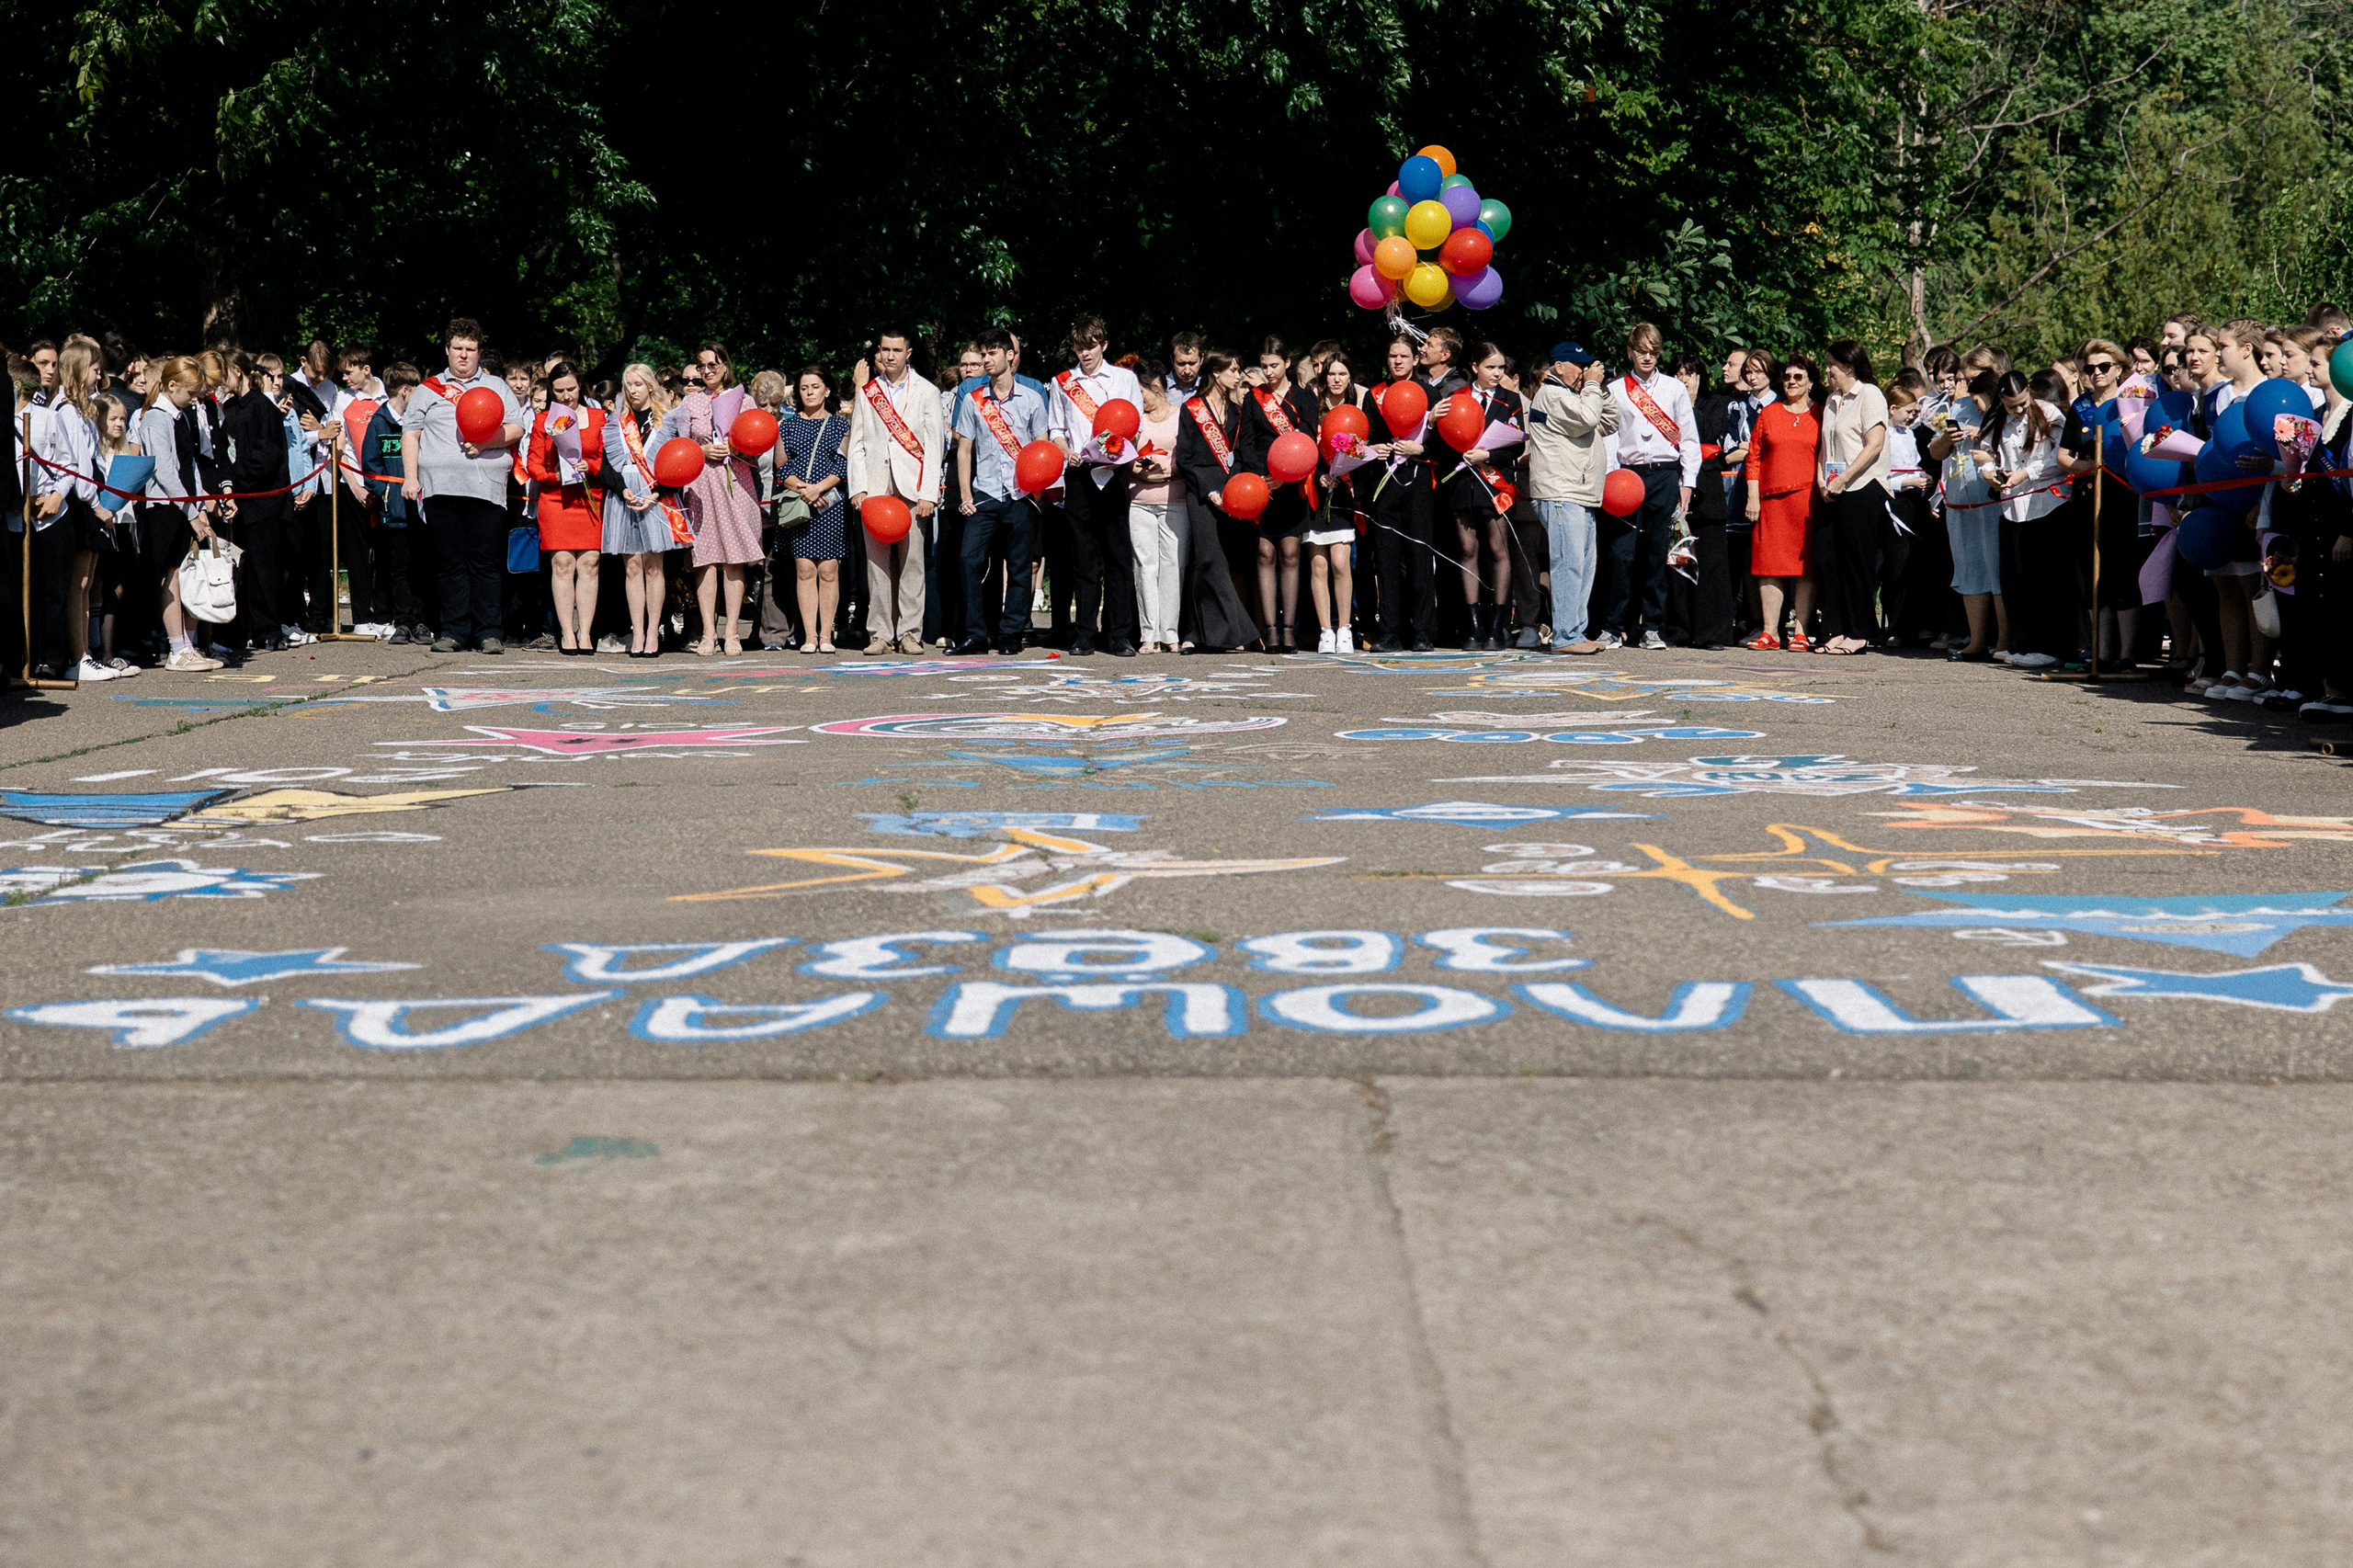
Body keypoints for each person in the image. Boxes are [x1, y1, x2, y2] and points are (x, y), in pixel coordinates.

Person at [401, 318, 525, 653]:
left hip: (485, 487)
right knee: (449, 562)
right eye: (458, 348)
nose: (464, 355)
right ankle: (454, 630)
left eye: (470, 349)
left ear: (479, 352)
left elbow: (517, 428)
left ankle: (488, 632)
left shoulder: (497, 386)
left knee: (484, 562)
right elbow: (410, 433)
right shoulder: (429, 389)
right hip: (440, 487)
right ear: (447, 350)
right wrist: (410, 477)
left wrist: (486, 443)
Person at [1046, 314, 1144, 656]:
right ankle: (1085, 633)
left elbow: (1137, 425)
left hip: (1115, 474)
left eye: (1090, 347)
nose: (1084, 354)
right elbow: (1055, 429)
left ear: (1103, 344)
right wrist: (1067, 452)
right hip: (1080, 474)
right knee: (1083, 557)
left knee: (1117, 556)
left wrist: (1124, 453)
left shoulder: (1125, 379)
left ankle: (1120, 634)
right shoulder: (1063, 382)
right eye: (1078, 347)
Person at [28, 336, 123, 681]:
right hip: (79, 502)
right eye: (96, 370)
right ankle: (78, 655)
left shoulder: (82, 410)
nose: (99, 377)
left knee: (85, 581)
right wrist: (97, 504)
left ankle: (85, 652)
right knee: (76, 582)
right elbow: (77, 466)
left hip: (89, 500)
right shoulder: (66, 410)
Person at [1601, 322, 1700, 650]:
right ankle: (1613, 626)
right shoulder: (1616, 389)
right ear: (1630, 351)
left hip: (1664, 474)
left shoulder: (1674, 389)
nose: (1648, 357)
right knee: (1621, 553)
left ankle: (1652, 626)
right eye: (1642, 351)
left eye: (1654, 352)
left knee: (1658, 553)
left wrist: (1688, 482)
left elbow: (1688, 438)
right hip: (1627, 475)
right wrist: (1613, 477)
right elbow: (1610, 437)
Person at [847, 327, 944, 656]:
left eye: (896, 350)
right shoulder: (868, 392)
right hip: (875, 489)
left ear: (909, 353)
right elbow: (857, 443)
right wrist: (858, 487)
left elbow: (935, 446)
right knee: (876, 564)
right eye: (885, 350)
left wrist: (929, 492)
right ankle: (879, 633)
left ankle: (910, 633)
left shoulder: (927, 391)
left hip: (913, 488)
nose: (889, 356)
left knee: (912, 562)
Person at [953, 329, 1051, 656]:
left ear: (1010, 356)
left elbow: (1043, 448)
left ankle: (1011, 633)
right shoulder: (973, 399)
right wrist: (966, 495)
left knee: (1021, 567)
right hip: (984, 495)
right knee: (970, 561)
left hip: (1021, 496)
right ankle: (976, 634)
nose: (986, 359)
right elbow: (964, 450)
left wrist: (1037, 493)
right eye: (984, 353)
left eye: (993, 352)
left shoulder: (1033, 399)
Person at [664, 343, 766, 656]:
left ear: (725, 365)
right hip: (701, 484)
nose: (707, 371)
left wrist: (736, 448)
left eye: (712, 364)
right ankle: (708, 632)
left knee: (734, 560)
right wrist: (702, 451)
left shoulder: (744, 400)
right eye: (702, 365)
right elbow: (678, 443)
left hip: (735, 479)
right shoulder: (690, 403)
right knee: (704, 560)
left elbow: (757, 442)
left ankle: (732, 632)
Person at [1971, 369, 2069, 671]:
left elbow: (2059, 457)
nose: (2019, 410)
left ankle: (2049, 645)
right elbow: (1986, 456)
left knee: (2043, 578)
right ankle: (2023, 642)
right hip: (2011, 508)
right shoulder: (1995, 419)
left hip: (2046, 504)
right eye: (2012, 405)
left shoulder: (2048, 413)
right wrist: (1991, 474)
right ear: (2001, 400)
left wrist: (2026, 473)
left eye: (2023, 403)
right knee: (2015, 578)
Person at [1527, 341, 1619, 654]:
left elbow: (1609, 422)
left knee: (1583, 566)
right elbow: (1589, 419)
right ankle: (1566, 635)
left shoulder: (1574, 397)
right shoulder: (1551, 395)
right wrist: (1592, 386)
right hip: (1560, 491)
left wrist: (1600, 390)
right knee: (1568, 564)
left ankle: (1576, 632)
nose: (1584, 373)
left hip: (1580, 492)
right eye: (1579, 367)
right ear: (1559, 367)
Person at [1234, 335, 1321, 653]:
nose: (1269, 372)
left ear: (1287, 363)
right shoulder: (1253, 398)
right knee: (1265, 554)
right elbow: (1245, 442)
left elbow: (1309, 440)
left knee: (1290, 554)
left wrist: (1286, 475)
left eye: (1274, 365)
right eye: (1264, 366)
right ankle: (1269, 629)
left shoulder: (1304, 397)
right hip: (1262, 485)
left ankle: (1289, 629)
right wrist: (1263, 476)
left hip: (1293, 486)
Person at [135, 356, 222, 671]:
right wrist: (189, 510)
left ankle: (190, 642)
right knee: (171, 576)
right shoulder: (156, 419)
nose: (195, 399)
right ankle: (176, 646)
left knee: (188, 574)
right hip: (165, 507)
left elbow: (190, 465)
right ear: (172, 386)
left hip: (186, 504)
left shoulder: (181, 417)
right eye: (191, 393)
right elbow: (165, 471)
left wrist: (199, 503)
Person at [1171, 348, 1258, 654]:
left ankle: (1195, 633)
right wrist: (1209, 490)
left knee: (1208, 564)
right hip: (1202, 492)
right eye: (1233, 370)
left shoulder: (1238, 411)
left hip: (1234, 491)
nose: (1238, 376)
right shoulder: (1191, 409)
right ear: (1217, 372)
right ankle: (1243, 631)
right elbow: (1185, 459)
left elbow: (1245, 454)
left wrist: (1240, 488)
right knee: (1211, 559)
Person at [1443, 341, 1524, 650]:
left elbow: (1516, 446)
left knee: (1498, 550)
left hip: (1496, 484)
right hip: (1464, 484)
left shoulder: (1509, 399)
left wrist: (1487, 455)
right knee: (1467, 551)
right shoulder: (1456, 398)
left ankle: (1497, 625)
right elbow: (1444, 442)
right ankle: (1472, 626)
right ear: (1475, 367)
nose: (1497, 373)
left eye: (1501, 368)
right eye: (1490, 367)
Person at [1814, 339, 1892, 654]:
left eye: (1832, 364)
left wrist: (1844, 479)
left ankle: (1860, 631)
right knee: (1829, 560)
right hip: (1833, 490)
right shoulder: (1833, 400)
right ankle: (1836, 628)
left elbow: (1874, 443)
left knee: (1857, 563)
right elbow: (1825, 447)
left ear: (1849, 366)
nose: (1828, 370)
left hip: (1863, 487)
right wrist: (1823, 481)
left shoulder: (1870, 394)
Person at [1364, 334, 1441, 653]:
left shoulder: (1428, 392)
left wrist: (1420, 447)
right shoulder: (1375, 394)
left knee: (1420, 556)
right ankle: (1389, 631)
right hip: (1384, 483)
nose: (1397, 361)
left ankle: (1423, 630)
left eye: (1404, 356)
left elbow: (1448, 442)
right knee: (1386, 559)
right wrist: (1373, 448)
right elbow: (1361, 437)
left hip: (1419, 478)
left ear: (1414, 360)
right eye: (1393, 356)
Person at [1743, 353, 1824, 651]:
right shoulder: (1769, 413)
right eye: (1787, 377)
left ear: (1811, 382)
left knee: (1805, 568)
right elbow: (1753, 457)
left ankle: (1801, 631)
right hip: (1771, 499)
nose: (1791, 382)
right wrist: (1753, 497)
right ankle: (1770, 632)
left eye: (1798, 377)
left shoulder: (1822, 414)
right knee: (1769, 565)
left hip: (1808, 500)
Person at [601, 362, 681, 659]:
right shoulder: (615, 422)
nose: (633, 390)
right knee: (632, 566)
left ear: (650, 385)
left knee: (653, 566)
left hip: (654, 495)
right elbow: (606, 465)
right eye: (628, 385)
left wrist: (657, 493)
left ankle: (653, 632)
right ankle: (637, 630)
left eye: (638, 384)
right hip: (625, 495)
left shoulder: (668, 421)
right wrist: (622, 490)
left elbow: (677, 464)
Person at [525, 361, 605, 654]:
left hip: (590, 497)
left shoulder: (598, 418)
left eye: (570, 389)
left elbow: (607, 458)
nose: (565, 396)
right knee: (562, 565)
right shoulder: (544, 420)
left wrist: (591, 466)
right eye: (558, 391)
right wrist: (553, 476)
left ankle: (585, 632)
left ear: (580, 385)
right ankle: (566, 633)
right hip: (555, 498)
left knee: (589, 564)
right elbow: (532, 463)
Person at [1930, 369, 2003, 661]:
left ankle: (2003, 642)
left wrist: (1983, 437)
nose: (1973, 404)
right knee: (1969, 570)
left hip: (1993, 503)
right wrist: (1947, 439)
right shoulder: (1956, 408)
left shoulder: (2004, 408)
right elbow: (1935, 452)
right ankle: (1976, 641)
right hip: (1960, 503)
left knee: (1996, 571)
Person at [779, 364, 851, 654]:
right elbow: (782, 466)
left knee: (829, 569)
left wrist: (819, 488)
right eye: (804, 387)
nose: (809, 392)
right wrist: (804, 490)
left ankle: (826, 635)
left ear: (828, 390)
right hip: (800, 504)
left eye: (815, 387)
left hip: (831, 502)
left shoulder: (840, 425)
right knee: (805, 568)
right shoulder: (787, 425)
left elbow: (843, 464)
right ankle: (809, 635)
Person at [1670, 352, 1737, 649]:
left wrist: (1688, 404)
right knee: (1676, 561)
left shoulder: (1716, 404)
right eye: (1678, 374)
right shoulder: (1662, 405)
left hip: (1707, 488)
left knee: (1712, 564)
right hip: (1673, 485)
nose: (1683, 379)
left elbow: (1710, 434)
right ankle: (1678, 629)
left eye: (1690, 373)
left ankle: (1712, 632)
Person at [361, 362, 431, 645]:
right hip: (395, 511)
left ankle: (422, 621)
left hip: (421, 509)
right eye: (417, 391)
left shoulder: (422, 424)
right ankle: (402, 622)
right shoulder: (379, 422)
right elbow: (370, 467)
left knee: (422, 566)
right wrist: (386, 491)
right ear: (405, 391)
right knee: (399, 568)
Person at [1303, 349, 1366, 653]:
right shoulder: (1311, 410)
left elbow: (1365, 452)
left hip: (1343, 495)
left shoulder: (1357, 411)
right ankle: (1325, 630)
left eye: (1342, 374)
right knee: (1318, 566)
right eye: (1331, 374)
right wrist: (1319, 475)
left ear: (1350, 377)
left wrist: (1347, 468)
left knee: (1341, 563)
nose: (1336, 379)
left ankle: (1345, 628)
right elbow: (1302, 450)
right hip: (1316, 494)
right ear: (1323, 377)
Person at [1129, 361, 1188, 653]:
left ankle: (1170, 633)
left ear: (1155, 388)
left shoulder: (1182, 416)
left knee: (1172, 567)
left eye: (1140, 392)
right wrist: (1135, 470)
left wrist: (1170, 472)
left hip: (1175, 500)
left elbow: (1189, 457)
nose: (1138, 400)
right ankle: (1148, 634)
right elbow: (1118, 454)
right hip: (1138, 502)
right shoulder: (1134, 419)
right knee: (1144, 567)